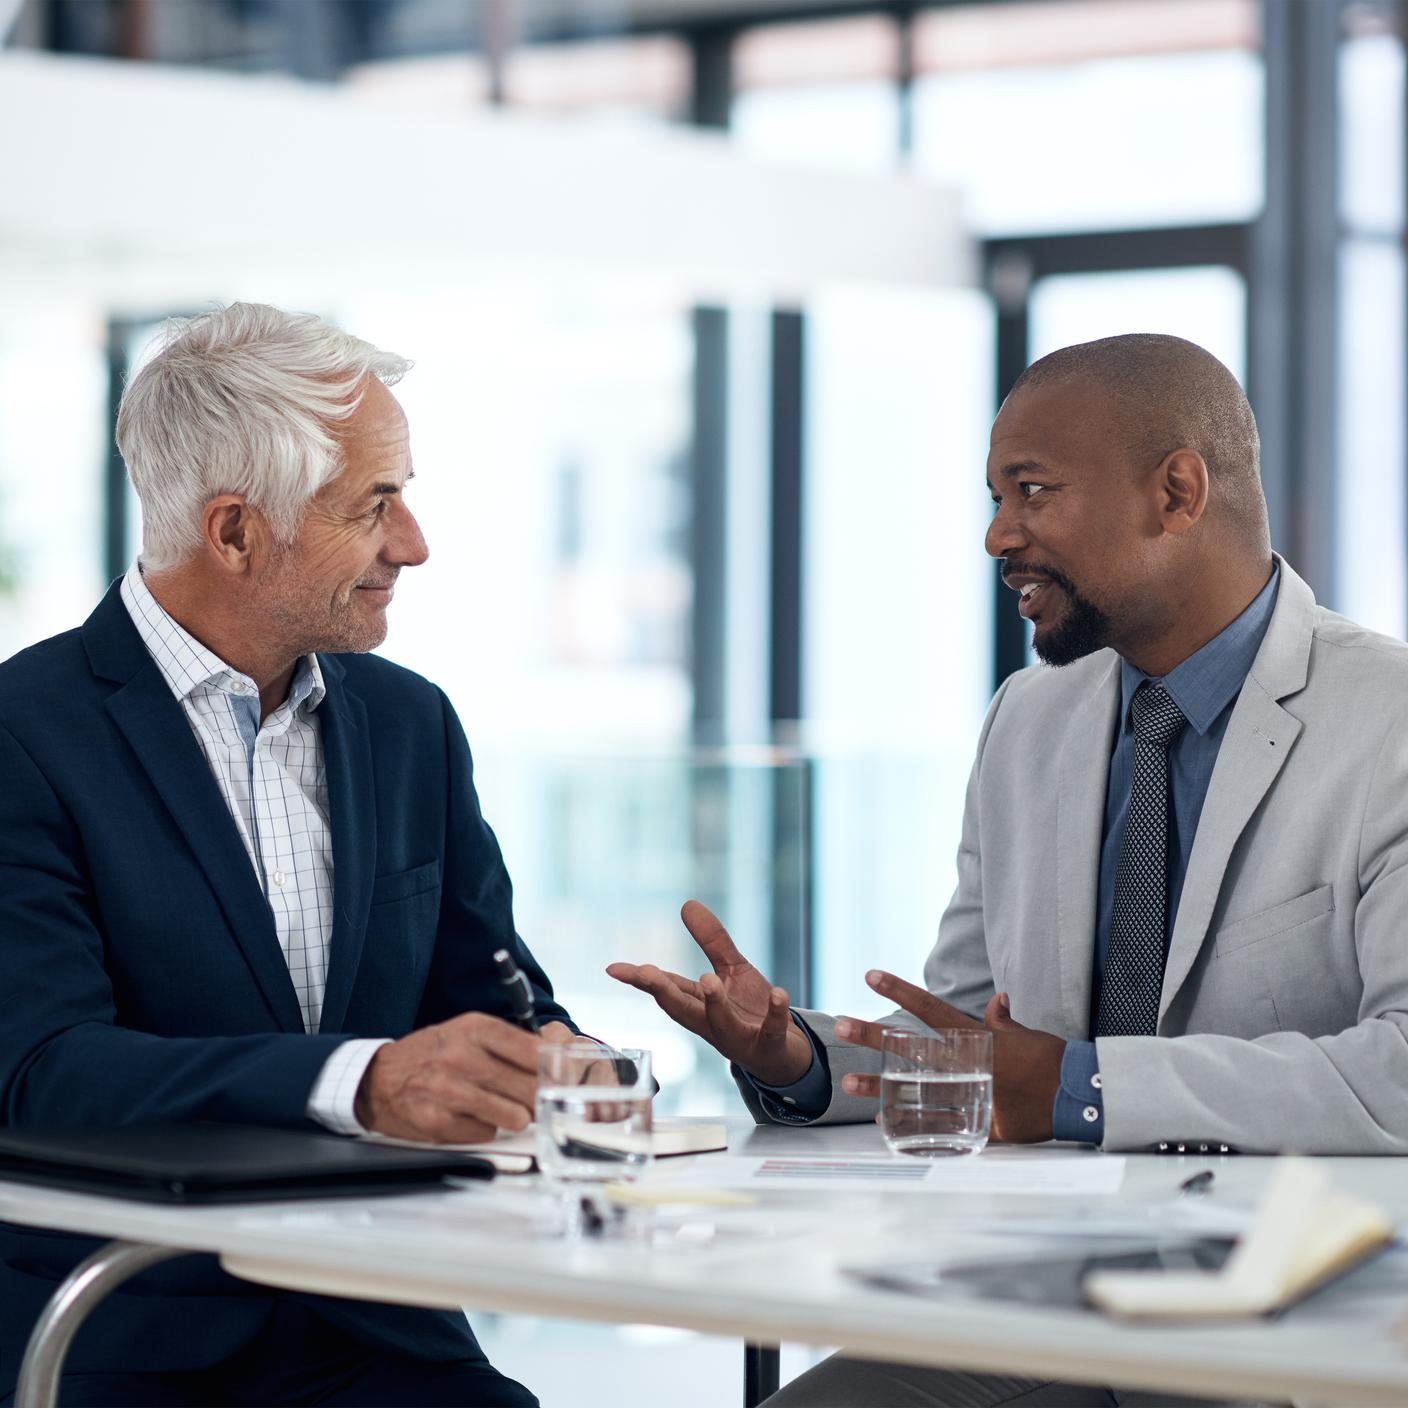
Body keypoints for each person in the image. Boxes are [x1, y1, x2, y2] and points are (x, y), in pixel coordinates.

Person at [609, 333, 1408, 1407]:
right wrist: (799, 1056)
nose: (998, 535)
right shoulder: (1029, 718)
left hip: (1304, 1316)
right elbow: (979, 1058)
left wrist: (1078, 1089)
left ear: (1176, 492)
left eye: (1031, 492)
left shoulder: (1386, 722)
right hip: (1039, 1298)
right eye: (993, 496)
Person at [0, 304, 574, 1407]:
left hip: (387, 1324)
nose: (412, 543)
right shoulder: (23, 736)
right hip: (126, 1337)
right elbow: (40, 1072)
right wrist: (362, 1082)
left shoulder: (410, 724)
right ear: (234, 532)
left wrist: (556, 1054)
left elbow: (487, 989)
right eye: (374, 504)